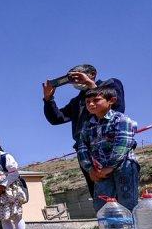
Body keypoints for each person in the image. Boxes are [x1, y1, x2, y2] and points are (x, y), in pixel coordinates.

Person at [42, 64, 125, 197]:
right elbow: (56, 118)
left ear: (92, 74)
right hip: (85, 151)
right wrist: (48, 99)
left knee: (120, 192)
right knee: (99, 195)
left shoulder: (110, 84)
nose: (75, 81)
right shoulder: (77, 101)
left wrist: (91, 85)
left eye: (77, 76)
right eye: (71, 79)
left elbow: (117, 108)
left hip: (109, 147)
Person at [77, 86, 140, 212]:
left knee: (127, 202)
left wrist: (110, 166)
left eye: (96, 100)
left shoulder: (121, 119)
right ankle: (110, 225)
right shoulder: (87, 125)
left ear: (111, 100)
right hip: (100, 171)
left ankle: (131, 224)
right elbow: (82, 148)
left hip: (123, 166)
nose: (91, 104)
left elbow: (123, 144)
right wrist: (90, 169)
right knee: (102, 205)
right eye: (88, 102)